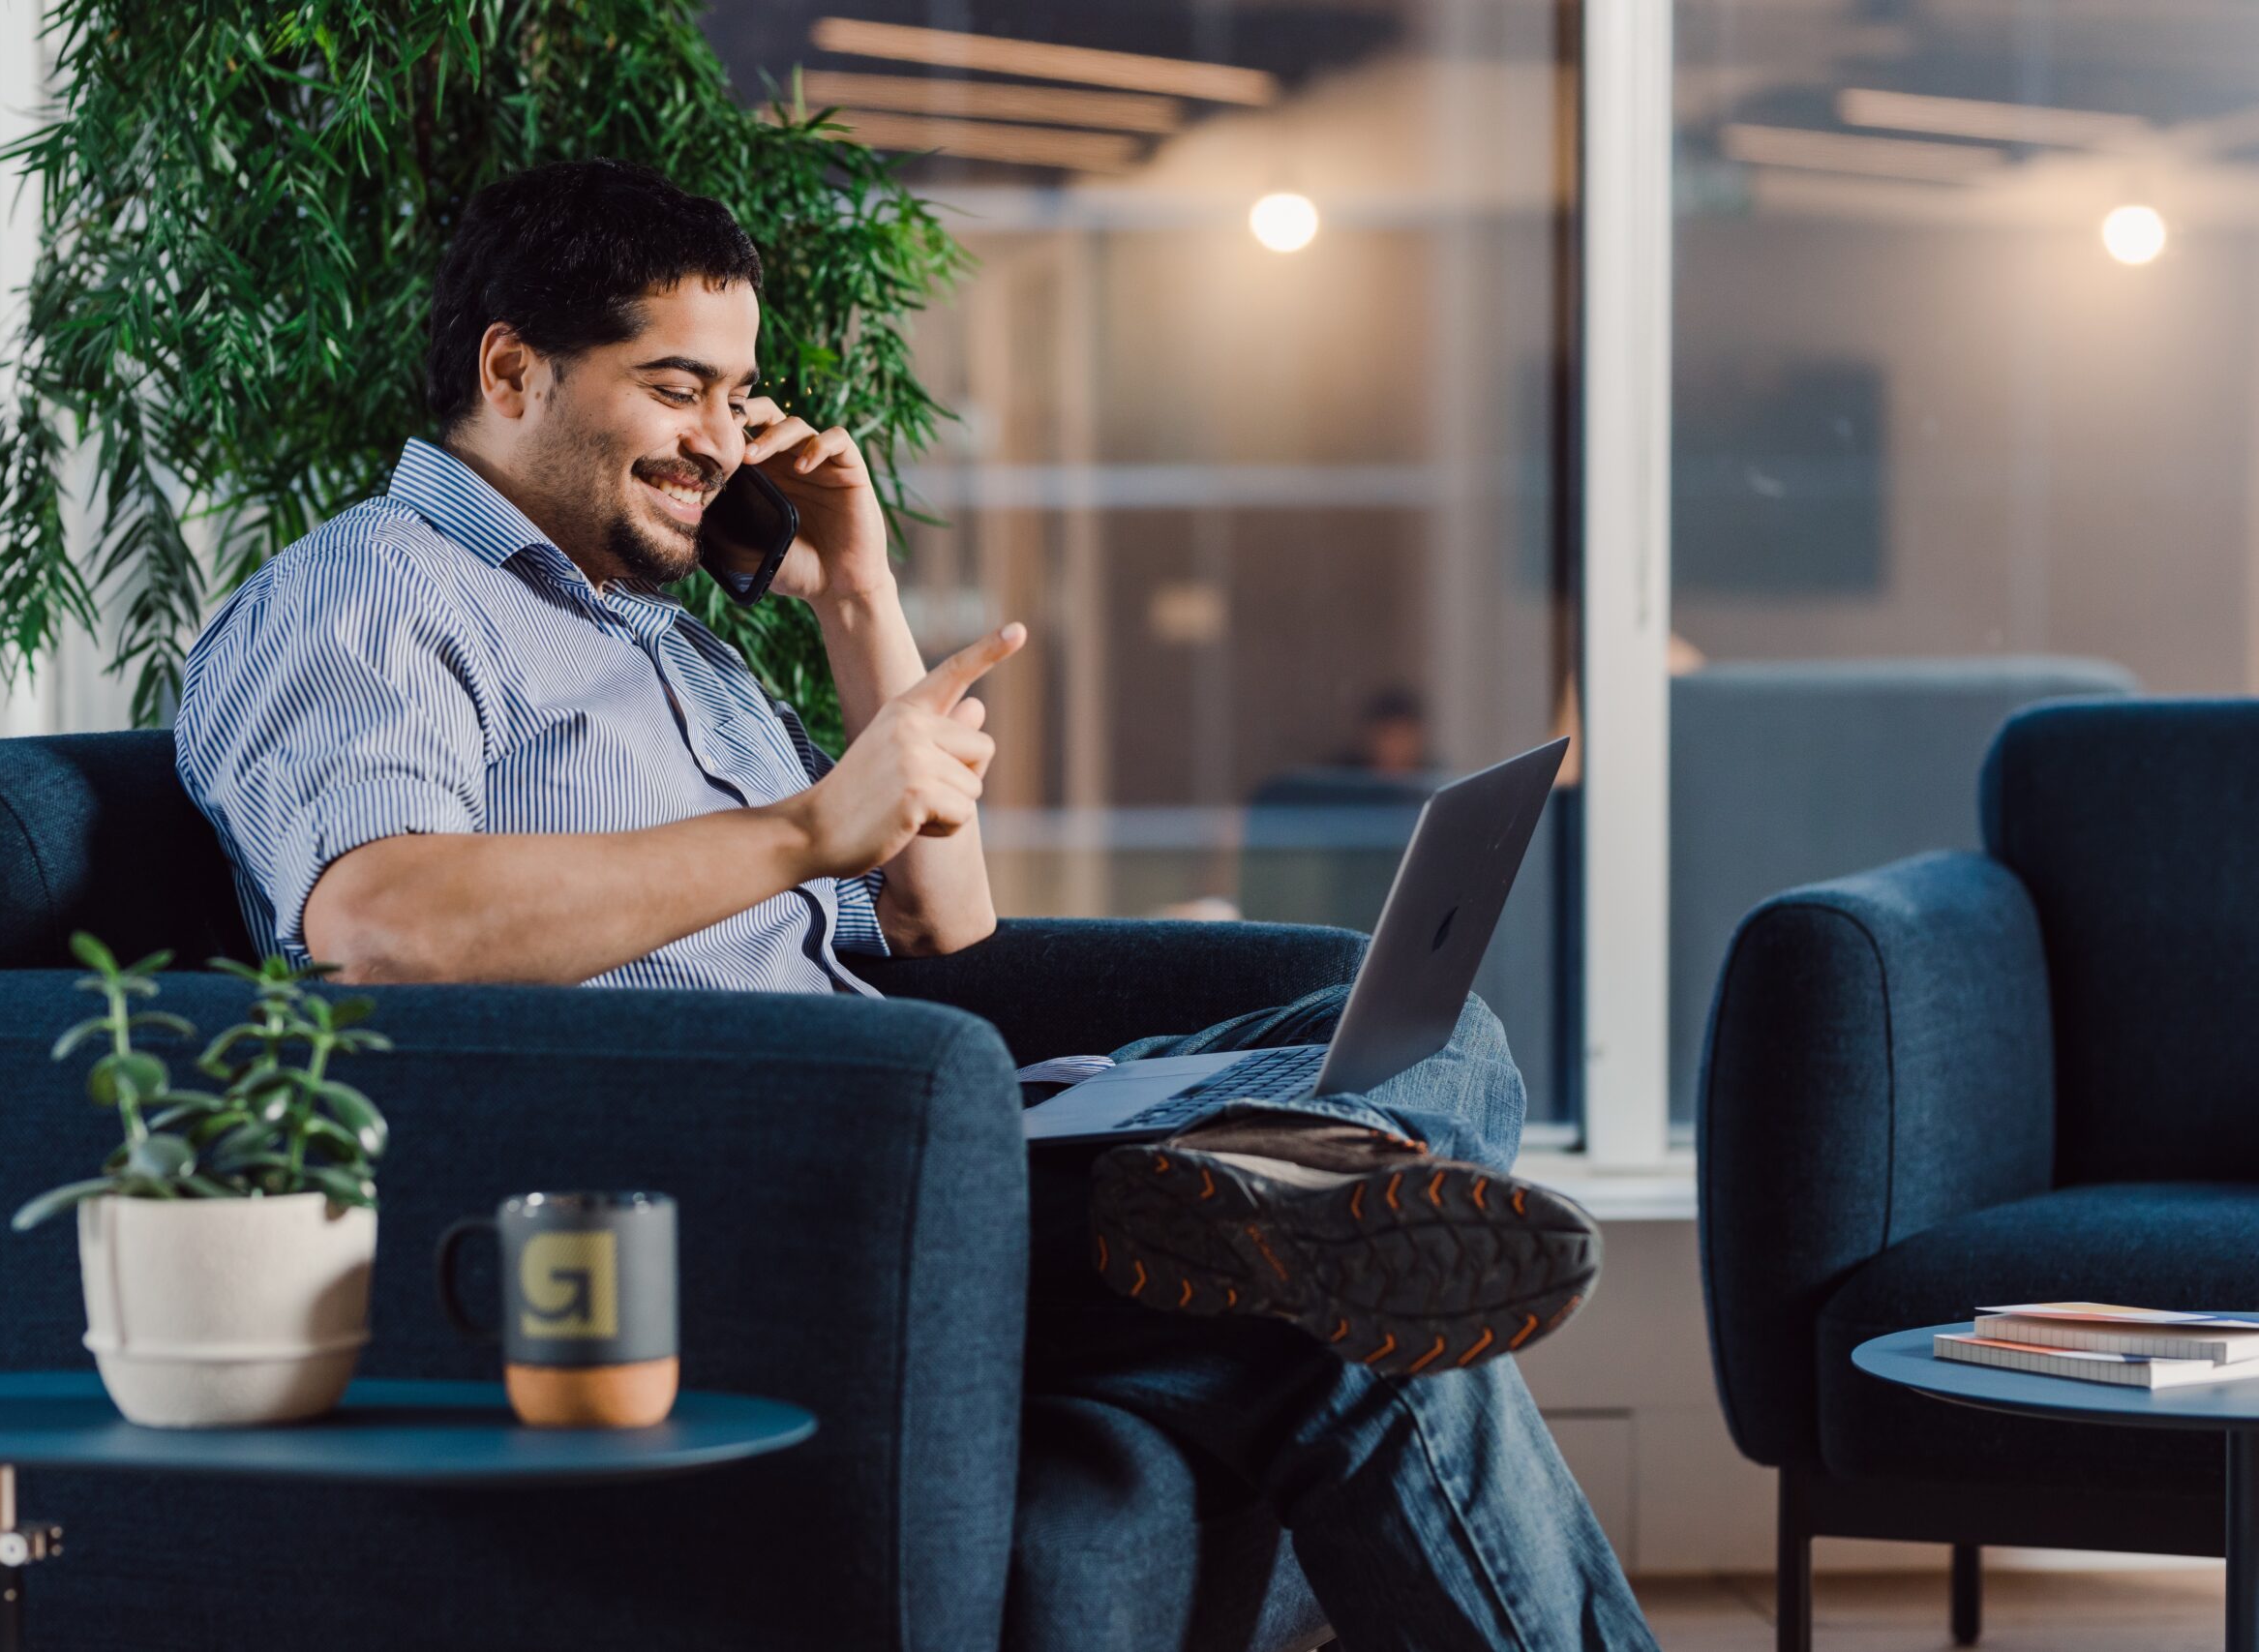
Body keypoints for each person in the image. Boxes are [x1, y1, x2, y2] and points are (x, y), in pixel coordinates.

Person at [174, 158, 1658, 1652]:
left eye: (738, 398)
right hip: (731, 1204)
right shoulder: (369, 594)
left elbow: (947, 922)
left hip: (910, 1150)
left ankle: (1266, 1199)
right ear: (511, 367)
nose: (718, 441)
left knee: (1419, 1030)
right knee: (1355, 1342)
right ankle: (1268, 1206)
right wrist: (809, 824)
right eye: (677, 387)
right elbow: (381, 922)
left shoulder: (658, 637)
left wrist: (853, 589)